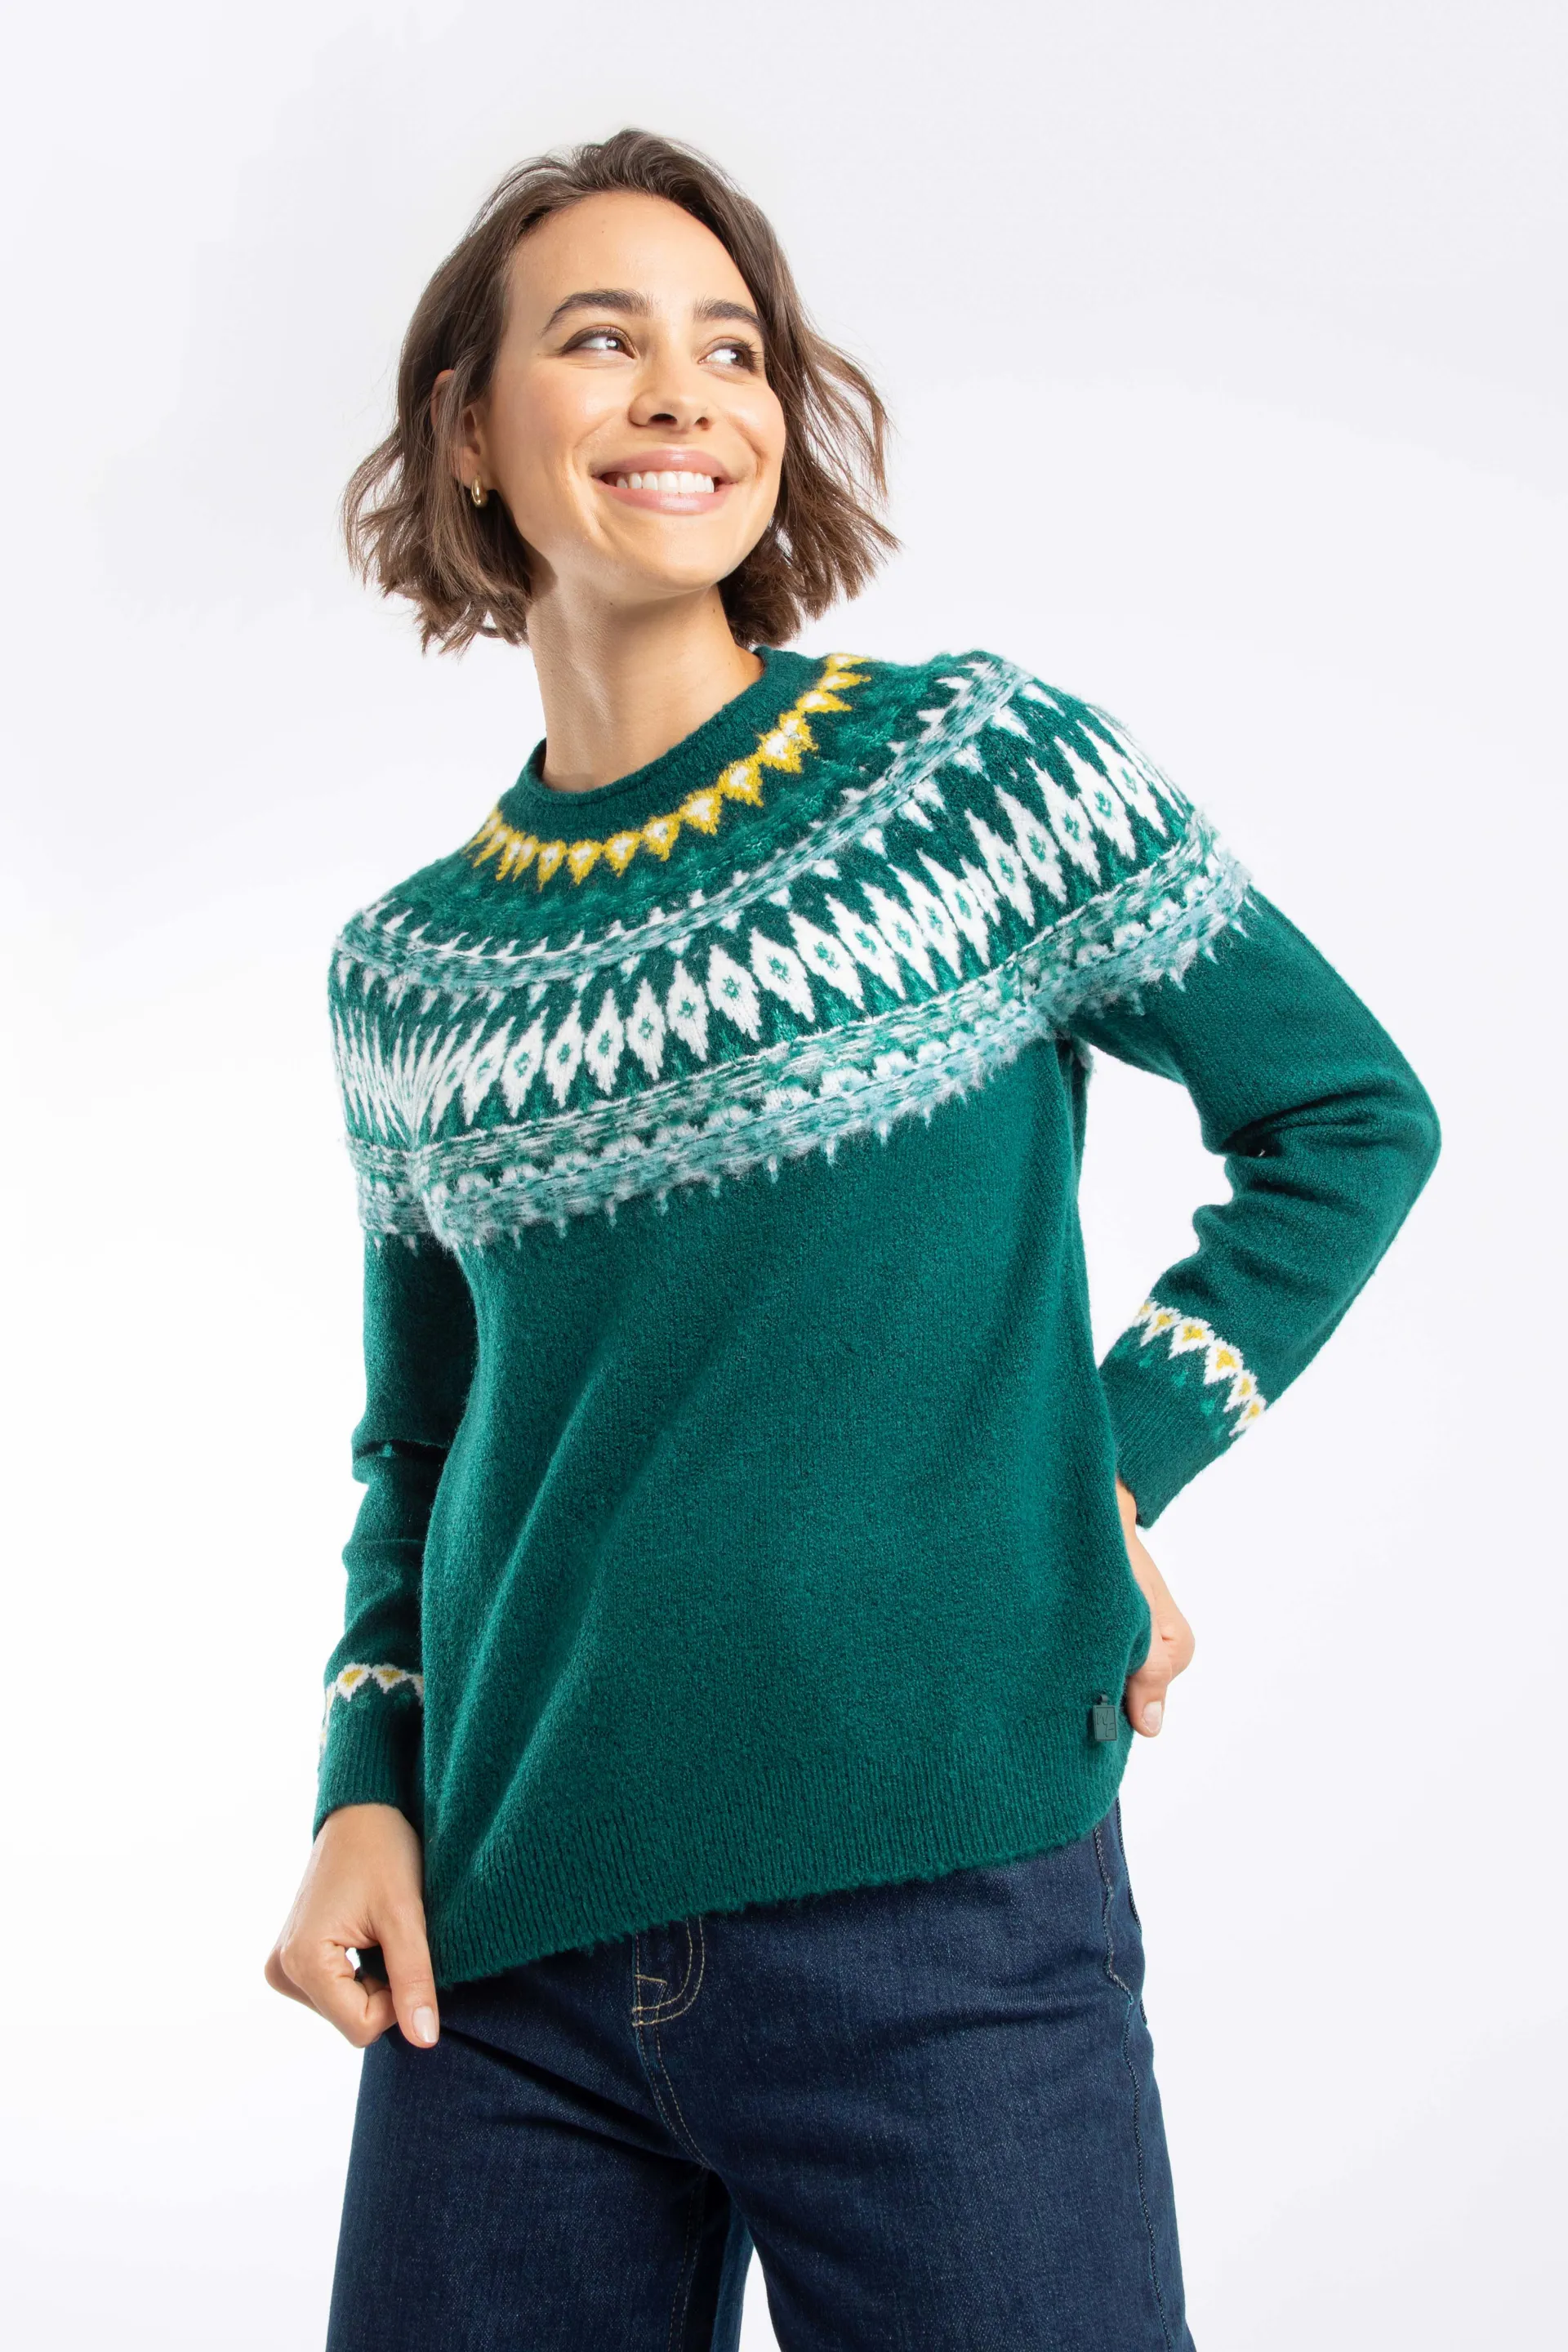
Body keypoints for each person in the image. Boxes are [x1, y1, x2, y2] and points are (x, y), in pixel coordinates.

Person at [265, 128, 1441, 2351]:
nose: (683, 395)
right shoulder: (408, 974)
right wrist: (360, 1797)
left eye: (734, 351)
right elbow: (419, 1454)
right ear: (468, 431)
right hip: (498, 1964)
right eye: (600, 340)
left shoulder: (975, 775)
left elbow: (1345, 1117)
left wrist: (1091, 1477)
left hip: (938, 1919)